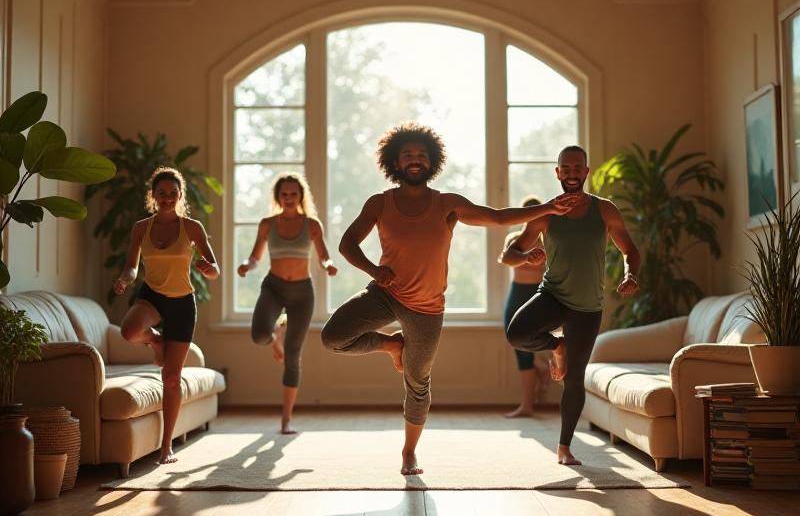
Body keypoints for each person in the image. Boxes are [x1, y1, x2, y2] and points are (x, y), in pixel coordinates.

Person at [321, 122, 579, 475]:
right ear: (395, 162)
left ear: (432, 162)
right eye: (408, 155)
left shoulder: (447, 204)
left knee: (418, 383)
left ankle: (409, 452)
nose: (415, 160)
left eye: (421, 155)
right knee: (333, 336)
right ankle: (391, 346)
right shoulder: (380, 203)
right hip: (385, 294)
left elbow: (497, 217)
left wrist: (546, 208)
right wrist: (372, 270)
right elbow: (347, 245)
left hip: (426, 308)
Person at [505, 145, 641, 466]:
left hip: (587, 308)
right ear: (557, 173)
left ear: (586, 172)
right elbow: (512, 252)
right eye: (565, 168)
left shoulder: (605, 211)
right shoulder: (546, 214)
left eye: (576, 167)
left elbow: (629, 249)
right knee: (517, 334)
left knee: (575, 379)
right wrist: (526, 256)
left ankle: (564, 447)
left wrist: (631, 274)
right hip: (552, 295)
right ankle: (557, 346)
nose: (571, 173)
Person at [113, 166, 220, 465]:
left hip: (183, 304)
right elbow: (132, 267)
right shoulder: (140, 228)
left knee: (171, 379)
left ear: (180, 195)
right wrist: (125, 279)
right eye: (162, 193)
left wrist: (207, 268)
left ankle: (165, 447)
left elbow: (215, 269)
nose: (167, 198)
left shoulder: (192, 228)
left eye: (173, 193)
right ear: (153, 196)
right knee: (129, 330)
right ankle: (156, 341)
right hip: (152, 296)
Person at [237, 172, 337, 435]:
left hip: (302, 293)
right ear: (278, 197)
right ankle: (275, 335)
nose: (289, 198)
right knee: (259, 335)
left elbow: (324, 256)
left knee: (293, 356)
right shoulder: (267, 224)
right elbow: (256, 256)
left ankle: (286, 420)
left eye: (294, 194)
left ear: (300, 196)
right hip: (274, 287)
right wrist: (247, 266)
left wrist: (329, 266)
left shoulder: (312, 224)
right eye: (285, 194)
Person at [498, 195, 547, 418]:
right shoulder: (514, 238)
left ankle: (527, 405)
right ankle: (538, 364)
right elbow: (506, 258)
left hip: (536, 294)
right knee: (514, 338)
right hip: (516, 294)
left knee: (526, 346)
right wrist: (526, 257)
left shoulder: (548, 239)